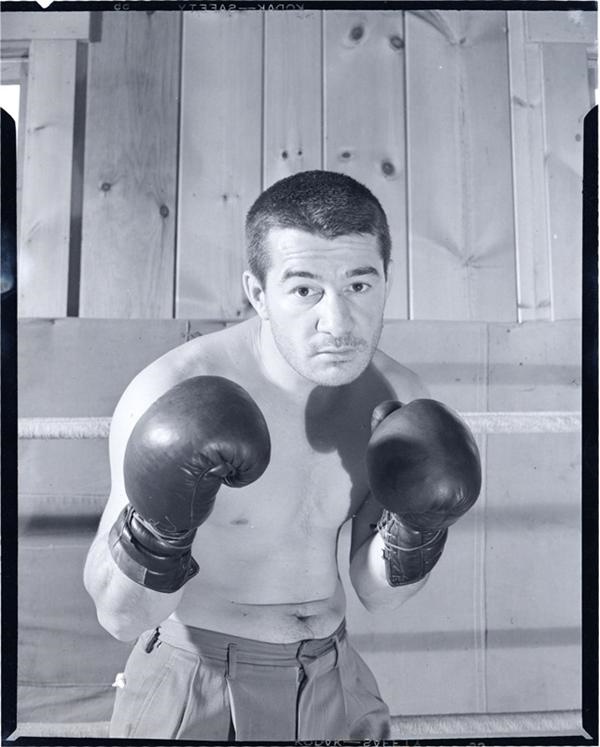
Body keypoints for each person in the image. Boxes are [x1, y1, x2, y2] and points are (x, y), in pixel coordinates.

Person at [83, 170, 480, 741]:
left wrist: (417, 529)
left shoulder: (397, 401)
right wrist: (158, 530)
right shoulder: (172, 390)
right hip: (195, 681)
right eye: (305, 290)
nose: (337, 323)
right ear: (257, 292)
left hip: (333, 674)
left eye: (359, 287)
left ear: (387, 279)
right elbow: (119, 618)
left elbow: (377, 594)